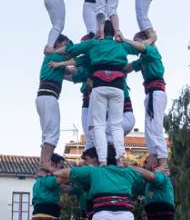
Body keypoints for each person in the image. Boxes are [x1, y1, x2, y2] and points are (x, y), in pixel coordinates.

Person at [52, 24, 140, 162]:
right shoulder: (120, 45)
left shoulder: (93, 45)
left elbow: (72, 52)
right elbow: (141, 47)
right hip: (116, 87)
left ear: (102, 32)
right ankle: (119, 158)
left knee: (97, 127)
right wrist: (126, 38)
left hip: (99, 89)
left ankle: (103, 160)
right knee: (115, 126)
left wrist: (55, 57)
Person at [125, 31, 167, 171]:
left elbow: (142, 46)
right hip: (150, 93)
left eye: (138, 41)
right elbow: (129, 68)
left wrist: (124, 39)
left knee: (155, 127)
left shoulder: (152, 51)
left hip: (157, 92)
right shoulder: (143, 58)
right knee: (149, 129)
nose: (136, 45)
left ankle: (163, 163)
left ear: (144, 40)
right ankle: (155, 158)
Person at [37, 37, 72, 170]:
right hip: (48, 96)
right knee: (52, 133)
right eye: (65, 43)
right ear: (58, 43)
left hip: (44, 97)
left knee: (47, 133)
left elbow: (71, 71)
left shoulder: (56, 60)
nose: (67, 46)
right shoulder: (55, 56)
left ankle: (44, 163)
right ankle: (45, 162)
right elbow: (72, 54)